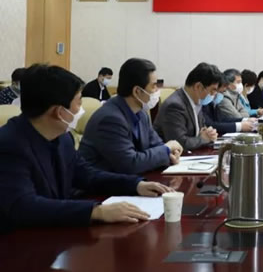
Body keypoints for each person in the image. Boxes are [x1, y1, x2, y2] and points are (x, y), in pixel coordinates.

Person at [0, 64, 172, 231]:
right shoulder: (9, 144)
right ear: (59, 112)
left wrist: (135, 185)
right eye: (79, 102)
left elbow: (87, 175)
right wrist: (95, 211)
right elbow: (23, 206)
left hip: (55, 233)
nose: (81, 109)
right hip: (18, 241)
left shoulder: (63, 138)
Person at [79, 58, 183, 174]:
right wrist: (166, 149)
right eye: (154, 86)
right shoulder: (111, 118)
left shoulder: (141, 113)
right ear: (137, 91)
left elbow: (157, 145)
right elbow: (130, 164)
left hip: (133, 179)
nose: (157, 91)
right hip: (103, 183)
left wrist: (170, 153)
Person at [153, 63, 220, 151]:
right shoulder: (175, 106)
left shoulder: (196, 101)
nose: (213, 95)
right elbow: (180, 143)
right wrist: (203, 139)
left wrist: (209, 134)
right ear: (198, 86)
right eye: (212, 90)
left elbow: (201, 132)